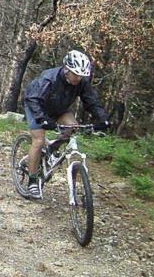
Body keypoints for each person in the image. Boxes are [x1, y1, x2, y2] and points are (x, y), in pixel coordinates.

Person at [23, 50, 110, 199]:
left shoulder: (81, 83)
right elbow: (33, 99)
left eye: (81, 75)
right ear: (67, 70)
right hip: (36, 105)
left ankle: (52, 148)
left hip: (59, 108)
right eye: (75, 74)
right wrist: (42, 119)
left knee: (73, 126)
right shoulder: (49, 78)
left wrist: (103, 119)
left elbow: (92, 101)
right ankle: (32, 181)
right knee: (38, 139)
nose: (78, 78)